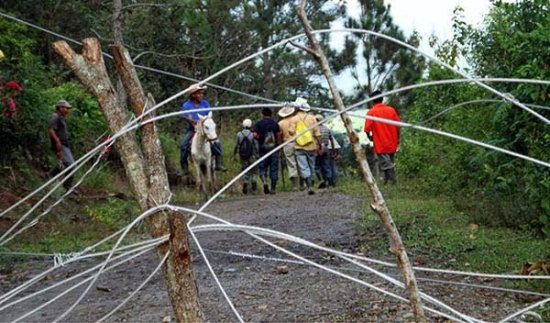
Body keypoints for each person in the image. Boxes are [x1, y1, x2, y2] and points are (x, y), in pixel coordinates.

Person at [180, 84, 226, 175]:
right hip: (193, 130)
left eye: (202, 93)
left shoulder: (205, 103)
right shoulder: (187, 105)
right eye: (199, 93)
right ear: (193, 95)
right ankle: (184, 168)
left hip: (207, 129)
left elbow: (209, 115)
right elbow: (187, 117)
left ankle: (219, 163)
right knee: (183, 145)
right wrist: (194, 123)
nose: (201, 95)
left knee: (216, 142)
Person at [363, 90, 400, 184]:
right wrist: (398, 139)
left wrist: (370, 137)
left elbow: (367, 129)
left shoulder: (371, 112)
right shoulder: (391, 110)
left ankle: (393, 180)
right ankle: (387, 181)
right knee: (389, 161)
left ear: (372, 101)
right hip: (392, 141)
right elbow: (398, 125)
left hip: (381, 143)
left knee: (386, 163)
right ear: (382, 99)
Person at [288, 97, 321, 195]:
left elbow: (290, 132)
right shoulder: (312, 118)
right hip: (312, 146)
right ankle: (311, 182)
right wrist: (320, 144)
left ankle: (309, 185)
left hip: (299, 146)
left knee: (303, 166)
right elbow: (317, 133)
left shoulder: (293, 119)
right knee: (312, 165)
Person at [48, 100, 75, 190]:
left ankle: (51, 174)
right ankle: (67, 186)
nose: (67, 110)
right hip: (60, 144)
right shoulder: (55, 116)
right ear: (60, 108)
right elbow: (51, 130)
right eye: (66, 108)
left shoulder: (61, 118)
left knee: (65, 163)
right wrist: (57, 142)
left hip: (64, 144)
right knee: (71, 165)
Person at [253, 107, 280, 194]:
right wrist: (278, 146)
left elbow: (255, 135)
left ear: (263, 114)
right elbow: (279, 135)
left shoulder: (258, 124)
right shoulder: (275, 124)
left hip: (263, 150)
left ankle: (264, 182)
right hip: (274, 150)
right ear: (271, 114)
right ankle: (273, 188)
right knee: (274, 169)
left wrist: (260, 138)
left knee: (262, 168)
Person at [233, 118, 259, 194]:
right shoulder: (252, 134)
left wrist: (234, 154)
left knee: (245, 170)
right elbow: (256, 146)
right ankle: (254, 189)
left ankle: (245, 182)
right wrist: (257, 155)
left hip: (243, 155)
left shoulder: (239, 134)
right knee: (254, 172)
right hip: (252, 155)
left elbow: (236, 145)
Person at [277, 104, 298, 191]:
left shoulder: (280, 123)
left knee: (291, 163)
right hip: (298, 142)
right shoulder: (296, 120)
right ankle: (303, 183)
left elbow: (279, 136)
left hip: (287, 143)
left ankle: (295, 185)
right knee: (300, 162)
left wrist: (280, 148)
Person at [314, 114, 336, 188]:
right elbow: (331, 140)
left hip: (317, 148)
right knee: (326, 166)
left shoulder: (315, 129)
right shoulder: (327, 129)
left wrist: (318, 148)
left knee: (317, 166)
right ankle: (330, 183)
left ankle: (321, 180)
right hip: (326, 148)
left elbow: (316, 139)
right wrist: (332, 151)